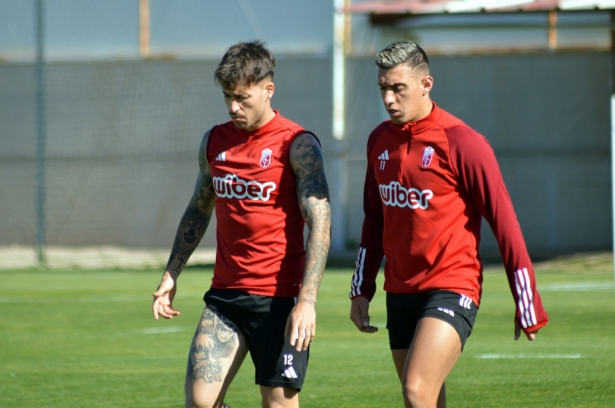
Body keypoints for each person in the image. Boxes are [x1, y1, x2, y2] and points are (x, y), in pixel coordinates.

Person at [349, 40, 548, 408]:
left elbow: (504, 222)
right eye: (382, 88)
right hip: (400, 289)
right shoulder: (378, 141)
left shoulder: (463, 142)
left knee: (415, 389)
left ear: (426, 85)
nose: (389, 99)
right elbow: (374, 219)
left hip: (452, 285)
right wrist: (361, 288)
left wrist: (527, 301)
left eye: (398, 88)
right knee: (424, 400)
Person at [152, 41, 331, 408]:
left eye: (242, 97)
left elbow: (321, 222)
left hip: (281, 300)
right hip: (226, 296)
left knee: (278, 403)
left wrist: (307, 302)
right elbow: (198, 209)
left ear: (268, 90)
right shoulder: (214, 142)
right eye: (227, 97)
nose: (234, 107)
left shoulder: (297, 145)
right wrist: (172, 273)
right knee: (201, 402)